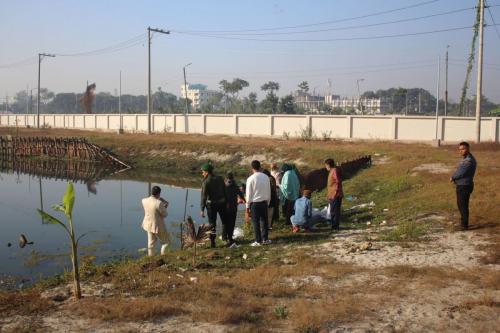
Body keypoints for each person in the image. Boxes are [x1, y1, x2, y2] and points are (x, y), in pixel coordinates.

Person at [450, 142, 477, 230]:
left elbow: (461, 172)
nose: (461, 151)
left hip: (464, 186)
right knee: (462, 205)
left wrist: (453, 177)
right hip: (463, 184)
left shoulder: (468, 160)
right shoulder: (466, 159)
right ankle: (463, 223)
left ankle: (464, 225)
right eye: (460, 149)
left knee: (463, 205)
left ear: (468, 149)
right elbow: (460, 171)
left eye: (463, 149)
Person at [200, 163, 227, 248]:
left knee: (212, 224)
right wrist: (227, 202)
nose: (202, 173)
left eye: (203, 172)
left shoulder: (206, 181)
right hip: (222, 203)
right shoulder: (220, 178)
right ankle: (225, 238)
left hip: (212, 205)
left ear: (207, 172)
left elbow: (203, 196)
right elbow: (225, 190)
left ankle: (213, 242)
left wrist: (202, 209)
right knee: (224, 222)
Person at [246, 160, 271, 246]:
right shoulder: (266, 177)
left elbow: (248, 194)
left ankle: (258, 240)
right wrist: (268, 202)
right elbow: (269, 191)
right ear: (260, 167)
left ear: (252, 168)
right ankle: (265, 239)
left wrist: (247, 207)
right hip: (264, 202)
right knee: (264, 221)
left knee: (255, 222)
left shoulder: (250, 179)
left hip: (255, 204)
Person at [141, 186, 169, 256]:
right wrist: (165, 206)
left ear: (152, 192)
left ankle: (151, 258)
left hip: (148, 225)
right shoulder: (159, 203)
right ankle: (164, 256)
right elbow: (165, 215)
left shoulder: (144, 200)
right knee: (165, 243)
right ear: (159, 193)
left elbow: (152, 207)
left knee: (151, 243)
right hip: (158, 226)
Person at [224, 171, 246, 248]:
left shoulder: (224, 186)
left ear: (226, 178)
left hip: (226, 207)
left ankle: (224, 237)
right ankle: (230, 237)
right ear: (233, 177)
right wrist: (244, 200)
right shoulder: (235, 186)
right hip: (233, 207)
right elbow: (240, 194)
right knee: (232, 223)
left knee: (225, 223)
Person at [325, 158, 343, 232]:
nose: (325, 167)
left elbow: (338, 182)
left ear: (328, 165)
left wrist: (335, 192)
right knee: (334, 210)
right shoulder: (331, 171)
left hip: (335, 194)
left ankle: (335, 226)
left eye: (326, 165)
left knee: (334, 211)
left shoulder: (334, 171)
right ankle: (334, 225)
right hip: (332, 194)